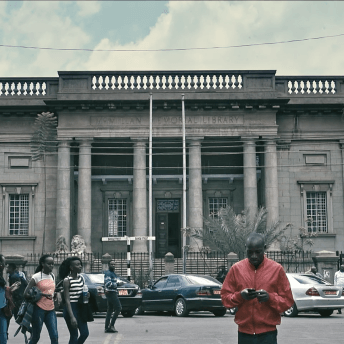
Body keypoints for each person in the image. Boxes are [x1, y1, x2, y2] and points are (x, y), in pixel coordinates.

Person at [221, 233, 294, 344]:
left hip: (268, 334)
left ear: (264, 249)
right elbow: (225, 298)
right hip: (244, 333)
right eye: (250, 252)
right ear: (246, 249)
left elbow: (287, 301)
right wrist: (240, 296)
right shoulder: (236, 269)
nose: (254, 256)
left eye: (258, 252)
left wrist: (270, 297)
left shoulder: (276, 269)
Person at [24, 254, 58, 344]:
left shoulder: (52, 276)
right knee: (36, 337)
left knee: (54, 337)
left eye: (52, 264)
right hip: (38, 310)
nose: (51, 266)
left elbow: (51, 291)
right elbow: (26, 293)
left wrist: (55, 295)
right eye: (49, 264)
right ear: (43, 264)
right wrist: (41, 294)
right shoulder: (36, 277)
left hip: (51, 309)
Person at [59, 257, 89, 344]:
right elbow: (67, 300)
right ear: (71, 268)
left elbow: (82, 291)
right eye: (77, 265)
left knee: (84, 333)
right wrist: (72, 317)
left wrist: (87, 295)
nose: (80, 266)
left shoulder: (81, 278)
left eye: (80, 264)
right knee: (74, 335)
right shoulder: (67, 280)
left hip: (80, 307)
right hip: (71, 308)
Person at [104, 259, 122, 333]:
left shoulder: (113, 274)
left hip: (112, 292)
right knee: (118, 308)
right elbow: (108, 283)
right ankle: (111, 325)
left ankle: (107, 327)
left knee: (110, 310)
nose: (113, 265)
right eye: (112, 264)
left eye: (114, 264)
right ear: (109, 265)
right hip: (111, 293)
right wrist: (117, 284)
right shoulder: (108, 273)